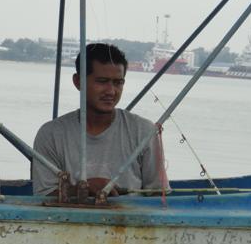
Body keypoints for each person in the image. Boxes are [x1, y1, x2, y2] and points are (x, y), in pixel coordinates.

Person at [32, 43, 168, 197]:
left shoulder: (144, 131)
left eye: (118, 83)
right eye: (102, 81)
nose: (111, 91)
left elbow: (158, 195)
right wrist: (81, 189)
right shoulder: (51, 134)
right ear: (78, 82)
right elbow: (44, 195)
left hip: (130, 219)